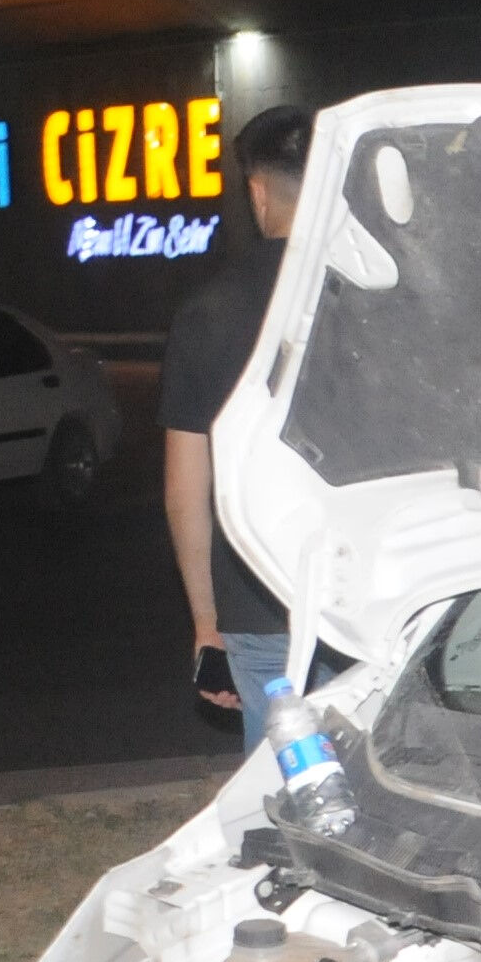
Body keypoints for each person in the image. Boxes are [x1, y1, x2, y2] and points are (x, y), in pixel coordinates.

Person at [163, 105, 313, 745]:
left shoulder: (208, 313)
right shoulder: (380, 296)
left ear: (256, 190)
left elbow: (185, 488)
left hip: (256, 599)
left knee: (280, 787)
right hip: (366, 597)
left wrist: (207, 625)